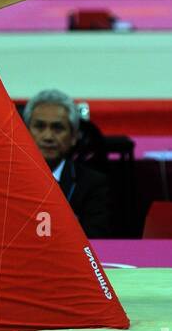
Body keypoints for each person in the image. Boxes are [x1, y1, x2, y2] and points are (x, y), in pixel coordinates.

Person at [23, 88, 112, 238]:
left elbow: (96, 239)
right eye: (39, 126)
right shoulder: (5, 179)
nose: (48, 136)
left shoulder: (93, 184)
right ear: (24, 132)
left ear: (74, 137)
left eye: (58, 128)